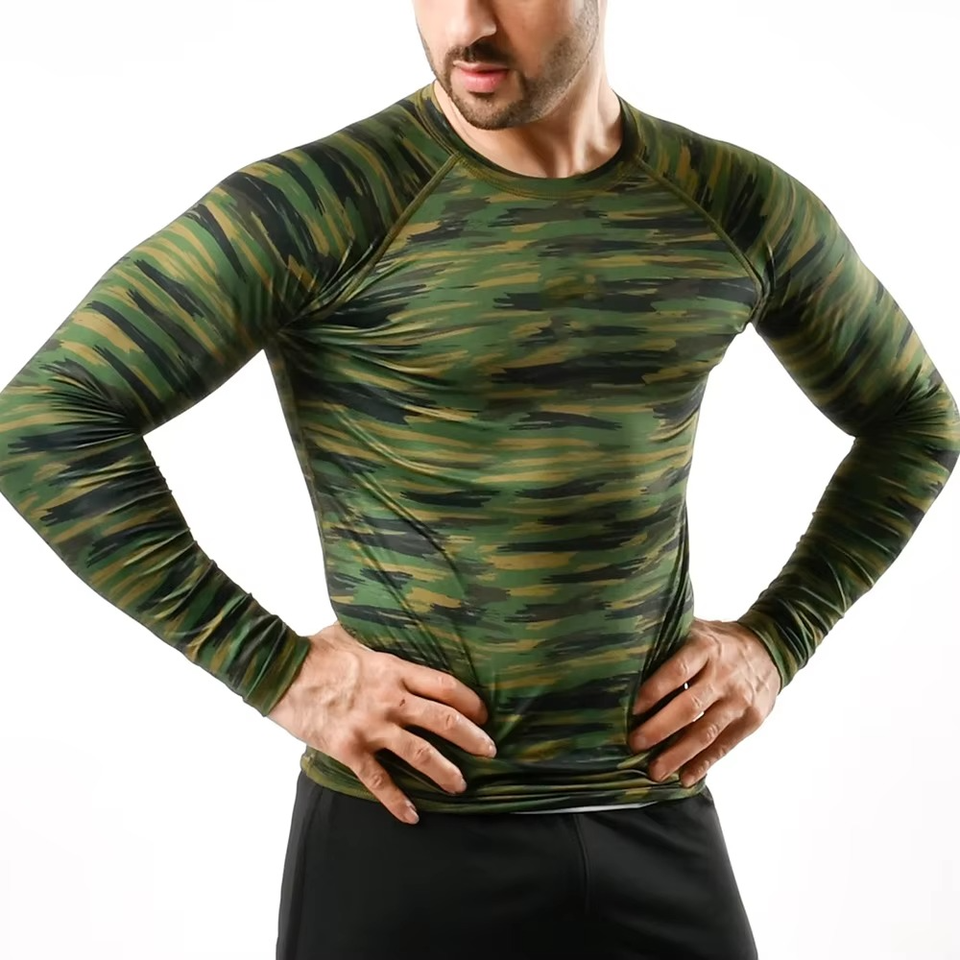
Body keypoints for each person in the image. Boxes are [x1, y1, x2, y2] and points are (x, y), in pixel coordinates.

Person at [0, 1, 957, 957]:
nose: (467, 25)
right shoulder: (322, 202)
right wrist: (275, 669)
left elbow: (914, 417)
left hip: (655, 817)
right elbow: (45, 421)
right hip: (405, 831)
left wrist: (778, 640)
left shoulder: (734, 204)